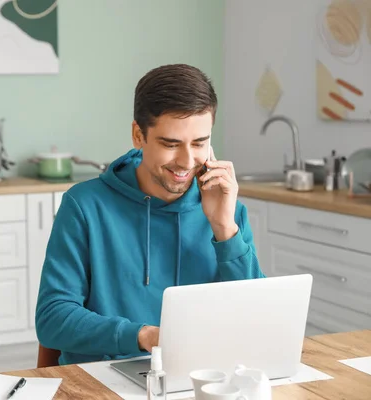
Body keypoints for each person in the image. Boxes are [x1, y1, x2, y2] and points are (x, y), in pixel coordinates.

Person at [35, 64, 266, 366]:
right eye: (170, 144)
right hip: (102, 379)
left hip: (197, 378)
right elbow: (53, 318)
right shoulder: (84, 205)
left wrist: (224, 228)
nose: (186, 161)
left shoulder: (227, 209)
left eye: (199, 143)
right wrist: (142, 336)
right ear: (138, 135)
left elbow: (258, 317)